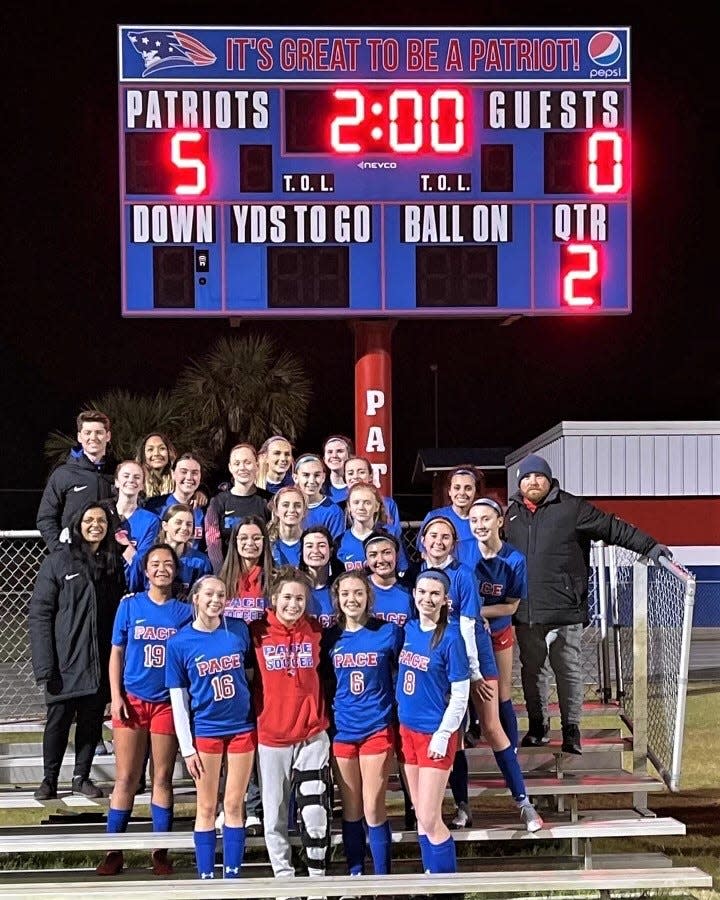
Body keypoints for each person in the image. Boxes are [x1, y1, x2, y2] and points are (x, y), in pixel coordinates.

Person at [505, 453, 672, 754]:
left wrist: (649, 546)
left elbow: (612, 528)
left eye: (538, 476)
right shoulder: (510, 514)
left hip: (565, 610)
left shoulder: (572, 508)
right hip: (526, 610)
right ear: (520, 482)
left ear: (549, 480)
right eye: (527, 477)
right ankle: (538, 726)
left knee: (567, 670)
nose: (533, 481)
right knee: (532, 671)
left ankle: (571, 730)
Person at [419, 515, 543, 832]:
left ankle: (524, 804)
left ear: (454, 542)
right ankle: (463, 807)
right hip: (445, 660)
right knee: (457, 736)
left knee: (491, 724)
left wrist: (473, 672)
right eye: (432, 535)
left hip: (475, 655)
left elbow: (468, 622)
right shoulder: (422, 575)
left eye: (445, 536)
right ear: (423, 540)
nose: (438, 541)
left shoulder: (463, 574)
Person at [95, 544, 193, 877]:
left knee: (161, 778)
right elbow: (116, 653)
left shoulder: (183, 612)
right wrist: (116, 695)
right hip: (133, 699)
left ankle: (160, 851)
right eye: (155, 564)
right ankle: (113, 851)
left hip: (166, 702)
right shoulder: (130, 605)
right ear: (146, 570)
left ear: (175, 570)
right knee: (125, 778)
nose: (162, 569)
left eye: (168, 563)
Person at [29, 500, 127, 800]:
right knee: (58, 720)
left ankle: (81, 776)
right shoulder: (58, 562)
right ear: (77, 524)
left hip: (98, 660)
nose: (95, 525)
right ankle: (49, 779)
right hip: (65, 659)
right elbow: (40, 613)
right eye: (89, 520)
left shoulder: (112, 564)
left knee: (90, 721)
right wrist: (46, 666)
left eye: (101, 520)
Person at [166, 576, 256, 880]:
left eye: (221, 594)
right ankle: (206, 876)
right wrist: (187, 747)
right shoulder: (179, 643)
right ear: (196, 598)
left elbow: (250, 678)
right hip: (207, 730)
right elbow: (178, 700)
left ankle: (232, 875)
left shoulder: (237, 630)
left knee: (233, 804)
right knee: (206, 807)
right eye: (209, 594)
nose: (216, 600)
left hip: (241, 727)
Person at [250, 567, 331, 891]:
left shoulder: (315, 630)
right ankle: (285, 880)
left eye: (300, 598)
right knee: (275, 814)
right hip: (273, 737)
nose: (293, 604)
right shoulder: (256, 632)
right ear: (274, 599)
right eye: (287, 597)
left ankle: (316, 881)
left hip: (312, 734)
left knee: (315, 812)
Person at [323, 570, 403, 879]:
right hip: (342, 729)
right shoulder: (330, 637)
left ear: (368, 597)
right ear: (337, 599)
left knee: (373, 807)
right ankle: (356, 874)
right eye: (345, 594)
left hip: (376, 727)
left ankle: (382, 879)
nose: (352, 599)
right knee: (352, 809)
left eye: (358, 593)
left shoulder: (387, 632)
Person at [395, 569, 468, 878]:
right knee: (420, 817)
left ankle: (448, 887)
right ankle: (430, 875)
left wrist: (443, 732)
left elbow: (461, 694)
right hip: (406, 731)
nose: (427, 598)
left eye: (434, 594)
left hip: (434, 734)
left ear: (445, 600)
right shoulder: (409, 629)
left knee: (430, 815)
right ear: (414, 594)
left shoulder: (451, 637)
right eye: (422, 592)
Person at [218, 515, 274, 833]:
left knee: (261, 735)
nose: (250, 544)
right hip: (234, 669)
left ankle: (263, 804)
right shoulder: (224, 580)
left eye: (256, 538)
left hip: (267, 668)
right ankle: (242, 805)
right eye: (244, 539)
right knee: (239, 738)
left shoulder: (273, 578)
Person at [456, 498, 526, 751]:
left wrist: (479, 611)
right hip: (468, 630)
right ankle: (470, 733)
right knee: (466, 684)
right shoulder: (462, 550)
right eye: (474, 520)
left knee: (502, 692)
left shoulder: (514, 559)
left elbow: (511, 606)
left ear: (499, 521)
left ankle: (511, 747)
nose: (479, 525)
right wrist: (472, 615)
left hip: (497, 629)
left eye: (485, 519)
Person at [36, 410, 116, 551]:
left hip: (110, 556)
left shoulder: (119, 473)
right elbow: (45, 518)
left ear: (108, 436)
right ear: (79, 437)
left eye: (99, 432)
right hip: (75, 556)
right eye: (87, 433)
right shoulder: (64, 474)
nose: (93, 437)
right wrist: (59, 550)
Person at [205, 443, 271, 573]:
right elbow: (213, 543)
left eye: (247, 462)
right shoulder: (217, 502)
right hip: (228, 573)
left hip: (260, 575)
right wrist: (222, 574)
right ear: (230, 467)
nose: (242, 468)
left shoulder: (268, 501)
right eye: (237, 463)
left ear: (257, 466)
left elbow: (273, 541)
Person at [128, 503, 212, 600]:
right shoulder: (143, 557)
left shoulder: (200, 562)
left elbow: (203, 597)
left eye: (189, 524)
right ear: (165, 525)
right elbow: (134, 593)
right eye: (178, 522)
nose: (184, 528)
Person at [144, 453, 206, 549]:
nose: (189, 477)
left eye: (194, 473)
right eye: (184, 472)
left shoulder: (205, 508)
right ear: (173, 474)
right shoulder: (156, 506)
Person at [416, 465, 485, 549]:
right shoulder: (434, 516)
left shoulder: (484, 520)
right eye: (457, 488)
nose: (462, 492)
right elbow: (423, 552)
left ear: (476, 492)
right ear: (449, 491)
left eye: (468, 488)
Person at [112, 460, 160, 580]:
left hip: (130, 585)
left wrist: (124, 542)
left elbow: (141, 562)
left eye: (137, 477)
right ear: (117, 482)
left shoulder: (151, 520)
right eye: (126, 476)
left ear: (143, 485)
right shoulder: (103, 513)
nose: (131, 480)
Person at [336, 483, 391, 571]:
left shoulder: (388, 538)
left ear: (377, 507)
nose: (361, 507)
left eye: (367, 503)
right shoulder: (339, 541)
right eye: (356, 502)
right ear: (349, 507)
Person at [364, 532, 414, 626]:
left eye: (387, 553)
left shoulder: (409, 591)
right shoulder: (359, 588)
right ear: (366, 559)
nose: (381, 560)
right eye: (373, 555)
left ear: (397, 555)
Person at [298, 525, 344, 629]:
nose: (315, 551)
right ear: (302, 551)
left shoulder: (341, 588)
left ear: (331, 551)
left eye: (321, 546)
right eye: (309, 546)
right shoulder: (294, 587)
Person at [293, 452, 345, 541]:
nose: (311, 481)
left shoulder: (333, 512)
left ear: (323, 477)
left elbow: (335, 547)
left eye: (317, 475)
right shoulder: (287, 506)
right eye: (306, 475)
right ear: (295, 478)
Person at [267, 485, 307, 566]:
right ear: (276, 510)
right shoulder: (267, 543)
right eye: (285, 505)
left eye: (297, 505)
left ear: (304, 512)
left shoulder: (310, 543)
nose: (292, 510)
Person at [135, 432, 177, 500]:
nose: (156, 453)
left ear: (169, 452)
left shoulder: (177, 479)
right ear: (143, 455)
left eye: (162, 448)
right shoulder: (136, 480)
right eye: (150, 449)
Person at [322, 434, 354, 503]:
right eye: (330, 452)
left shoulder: (358, 488)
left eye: (340, 451)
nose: (334, 456)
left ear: (350, 456)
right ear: (324, 459)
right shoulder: (318, 489)